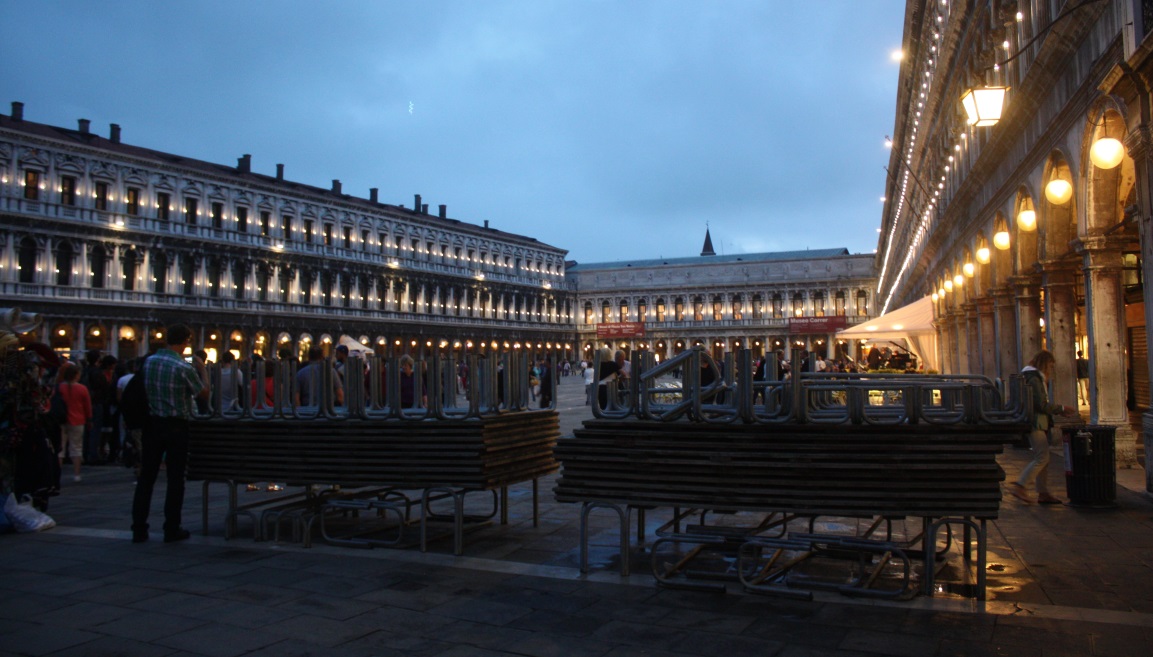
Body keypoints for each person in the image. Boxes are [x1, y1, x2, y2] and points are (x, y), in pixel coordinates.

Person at [131, 323, 209, 543]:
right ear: (186, 341)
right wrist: (202, 370)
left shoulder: (149, 362)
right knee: (175, 479)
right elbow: (203, 394)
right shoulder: (183, 367)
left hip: (152, 425)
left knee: (146, 478)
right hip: (177, 426)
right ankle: (171, 528)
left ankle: (139, 528)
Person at [1008, 350, 1075, 505]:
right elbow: (1040, 404)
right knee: (1042, 457)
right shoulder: (1034, 379)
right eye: (1050, 366)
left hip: (1035, 421)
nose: (1051, 370)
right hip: (1035, 422)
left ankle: (1043, 492)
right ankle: (1021, 486)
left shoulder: (1030, 376)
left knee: (1043, 457)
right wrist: (1061, 408)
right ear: (1045, 364)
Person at [55, 362, 92, 483]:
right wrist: (89, 419)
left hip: (61, 419)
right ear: (76, 375)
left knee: (60, 448)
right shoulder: (82, 388)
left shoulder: (59, 387)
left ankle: (58, 474)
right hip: (78, 420)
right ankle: (77, 474)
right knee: (76, 447)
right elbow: (87, 406)